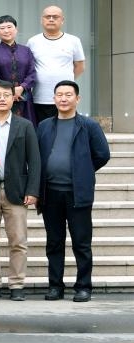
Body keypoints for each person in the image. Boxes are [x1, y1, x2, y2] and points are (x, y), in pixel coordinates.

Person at [36, 80, 110, 302]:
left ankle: (83, 287)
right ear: (54, 99)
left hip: (78, 194)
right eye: (59, 95)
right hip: (50, 193)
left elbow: (102, 154)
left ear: (77, 99)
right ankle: (55, 286)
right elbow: (38, 156)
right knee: (54, 243)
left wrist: (83, 170)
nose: (63, 99)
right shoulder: (44, 126)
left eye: (68, 95)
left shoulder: (89, 126)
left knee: (81, 243)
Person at [0, 80, 41, 301]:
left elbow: (34, 161)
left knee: (18, 241)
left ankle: (17, 284)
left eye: (6, 95)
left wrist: (32, 190)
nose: (2, 99)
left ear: (13, 98)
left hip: (16, 190)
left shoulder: (24, 125)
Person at [27, 6, 86, 124]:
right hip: (40, 97)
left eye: (55, 17)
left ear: (62, 20)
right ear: (41, 20)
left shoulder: (73, 41)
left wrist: (66, 81)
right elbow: (28, 67)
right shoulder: (33, 41)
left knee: (66, 129)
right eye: (47, 17)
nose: (51, 19)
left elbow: (80, 66)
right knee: (43, 131)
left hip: (66, 98)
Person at [0, 15, 37, 124]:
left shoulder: (26, 50)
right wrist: (8, 90)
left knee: (26, 125)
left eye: (9, 27)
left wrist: (22, 87)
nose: (6, 31)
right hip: (2, 96)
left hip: (24, 96)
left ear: (16, 29)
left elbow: (32, 72)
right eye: (2, 28)